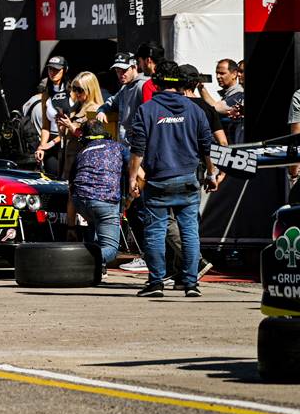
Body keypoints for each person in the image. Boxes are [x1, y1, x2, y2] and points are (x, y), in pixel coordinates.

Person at [128, 62, 217, 298]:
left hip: (158, 181)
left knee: (156, 232)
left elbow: (137, 149)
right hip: (188, 178)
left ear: (156, 83)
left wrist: (132, 178)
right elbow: (206, 145)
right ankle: (190, 284)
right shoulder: (195, 109)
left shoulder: (146, 110)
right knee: (189, 231)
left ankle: (156, 283)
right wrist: (211, 173)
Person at [68, 120, 129, 274]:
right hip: (105, 201)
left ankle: (95, 269)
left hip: (80, 202)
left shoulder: (82, 153)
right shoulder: (118, 147)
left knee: (93, 219)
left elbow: (71, 191)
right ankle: (77, 260)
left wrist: (70, 227)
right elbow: (139, 173)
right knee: (111, 249)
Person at [97, 52, 148, 141]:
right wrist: (102, 110)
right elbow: (111, 102)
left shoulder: (142, 85)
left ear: (134, 67)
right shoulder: (124, 88)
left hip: (138, 145)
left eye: (124, 70)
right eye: (117, 71)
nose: (121, 74)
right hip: (125, 144)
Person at [200, 57, 245, 143]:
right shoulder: (234, 93)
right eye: (217, 73)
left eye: (222, 73)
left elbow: (215, 107)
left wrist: (201, 88)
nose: (218, 77)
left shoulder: (238, 93)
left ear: (234, 74)